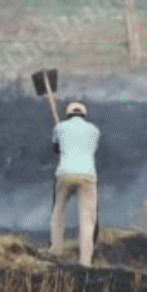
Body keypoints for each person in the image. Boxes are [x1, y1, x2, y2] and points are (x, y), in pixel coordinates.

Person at [50, 101, 100, 267]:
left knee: (58, 212)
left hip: (64, 174)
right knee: (87, 219)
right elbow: (90, 150)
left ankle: (56, 251)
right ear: (84, 115)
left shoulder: (59, 128)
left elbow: (55, 149)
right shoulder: (94, 130)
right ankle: (85, 261)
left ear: (68, 114)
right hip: (87, 175)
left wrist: (60, 141)